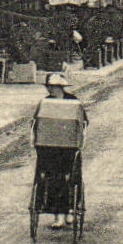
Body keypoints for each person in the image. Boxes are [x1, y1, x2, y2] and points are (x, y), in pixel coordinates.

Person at [33, 73, 89, 228]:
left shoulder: (73, 101)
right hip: (49, 147)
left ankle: (70, 210)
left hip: (68, 148)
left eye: (52, 86)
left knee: (70, 177)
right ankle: (58, 215)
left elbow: (83, 122)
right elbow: (37, 122)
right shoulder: (45, 102)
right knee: (49, 178)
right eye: (48, 87)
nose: (50, 89)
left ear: (60, 87)